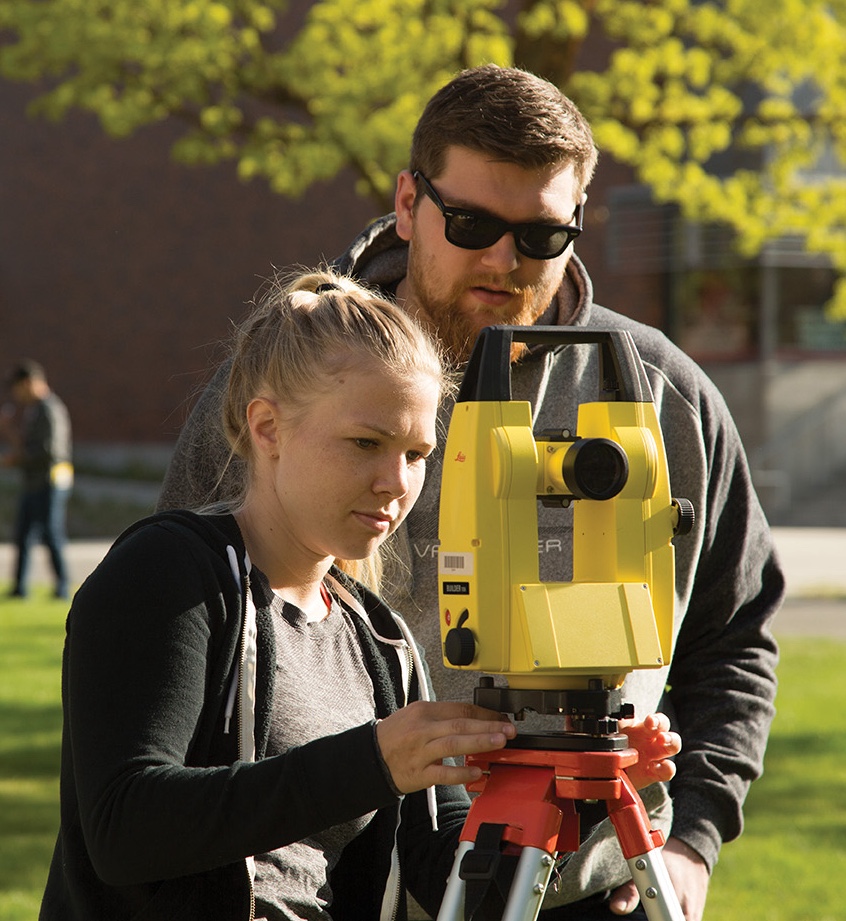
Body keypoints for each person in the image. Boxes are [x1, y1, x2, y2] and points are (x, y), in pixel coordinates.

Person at [158, 65, 784, 921]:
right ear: (409, 201)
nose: (501, 258)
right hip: (341, 887)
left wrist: (693, 841)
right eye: (472, 222)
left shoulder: (666, 399)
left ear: (577, 226)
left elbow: (735, 635)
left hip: (592, 879)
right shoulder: (286, 385)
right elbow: (190, 636)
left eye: (538, 235)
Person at [40, 268, 683, 921]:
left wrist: (589, 787)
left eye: (415, 452)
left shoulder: (379, 638)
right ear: (267, 427)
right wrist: (373, 759)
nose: (394, 482)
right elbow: (125, 830)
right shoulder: (170, 574)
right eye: (365, 443)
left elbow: (457, 885)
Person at [1, 359, 73, 599]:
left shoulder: (50, 409)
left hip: (49, 481)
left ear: (30, 382)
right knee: (23, 535)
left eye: (18, 387)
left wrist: (17, 459)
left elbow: (50, 451)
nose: (16, 394)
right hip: (34, 481)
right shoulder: (34, 410)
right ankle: (20, 588)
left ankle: (63, 587)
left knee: (51, 533)